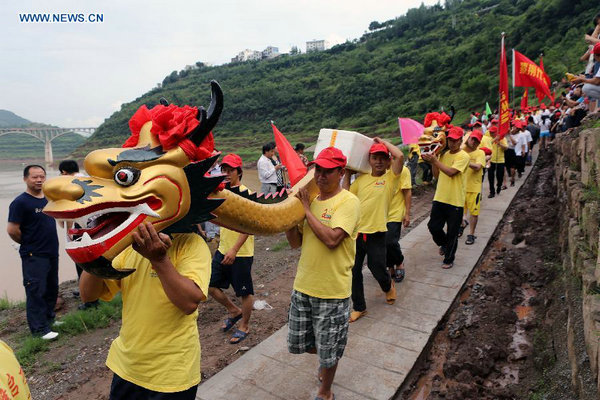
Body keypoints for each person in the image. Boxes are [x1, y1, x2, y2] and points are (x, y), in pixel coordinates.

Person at [79, 223, 211, 399]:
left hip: (172, 374)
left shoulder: (191, 243)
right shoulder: (129, 247)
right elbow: (88, 295)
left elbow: (188, 303)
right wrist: (97, 253)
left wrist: (159, 260)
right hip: (127, 367)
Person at [285, 147, 360, 400]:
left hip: (332, 291)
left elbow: (331, 239)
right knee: (306, 344)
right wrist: (289, 218)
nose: (320, 176)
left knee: (329, 350)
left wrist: (305, 210)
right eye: (318, 169)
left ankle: (325, 391)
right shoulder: (312, 201)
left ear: (341, 172)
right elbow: (296, 243)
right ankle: (325, 364)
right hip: (304, 285)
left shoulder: (348, 202)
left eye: (328, 171)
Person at [343, 138, 404, 322]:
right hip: (357, 233)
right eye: (374, 157)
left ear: (387, 162)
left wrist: (383, 141)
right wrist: (347, 173)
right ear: (369, 160)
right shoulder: (361, 180)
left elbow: (400, 155)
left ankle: (388, 286)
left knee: (376, 266)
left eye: (382, 158)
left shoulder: (390, 178)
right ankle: (359, 307)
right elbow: (346, 196)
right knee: (353, 271)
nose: (378, 161)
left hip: (377, 232)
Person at [7, 165, 60, 340]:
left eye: (42, 177)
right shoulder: (20, 202)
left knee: (51, 288)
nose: (39, 180)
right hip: (34, 254)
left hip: (52, 251)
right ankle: (39, 330)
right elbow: (12, 230)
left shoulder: (48, 199)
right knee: (36, 290)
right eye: (34, 177)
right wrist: (29, 242)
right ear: (25, 179)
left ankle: (49, 319)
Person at [208, 154, 255, 344]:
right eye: (224, 170)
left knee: (244, 291)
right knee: (210, 285)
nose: (226, 174)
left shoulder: (246, 194)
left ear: (239, 172)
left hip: (241, 252)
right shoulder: (222, 192)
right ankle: (233, 311)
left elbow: (249, 226)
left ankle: (245, 325)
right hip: (223, 247)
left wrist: (234, 250)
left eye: (231, 170)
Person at [422, 127, 470, 269]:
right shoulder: (443, 155)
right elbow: (437, 174)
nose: (452, 143)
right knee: (433, 226)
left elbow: (451, 172)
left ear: (461, 140)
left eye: (455, 140)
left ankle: (449, 259)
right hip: (440, 197)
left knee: (452, 232)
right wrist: (433, 160)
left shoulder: (463, 156)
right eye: (450, 140)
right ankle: (444, 244)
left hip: (455, 200)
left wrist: (435, 161)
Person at [386, 161, 412, 282]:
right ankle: (390, 265)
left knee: (391, 241)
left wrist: (407, 213)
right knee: (382, 244)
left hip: (395, 213)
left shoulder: (403, 170)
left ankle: (399, 261)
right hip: (377, 214)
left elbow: (407, 192)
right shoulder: (373, 171)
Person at [460, 130, 486, 245]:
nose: (474, 142)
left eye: (476, 141)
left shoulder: (480, 153)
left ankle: (471, 234)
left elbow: (477, 166)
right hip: (461, 187)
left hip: (474, 188)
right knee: (460, 211)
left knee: (474, 213)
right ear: (468, 138)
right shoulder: (462, 151)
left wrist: (466, 162)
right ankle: (462, 225)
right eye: (472, 139)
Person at [487, 126, 508, 198]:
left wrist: (500, 144)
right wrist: (495, 139)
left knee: (499, 177)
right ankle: (492, 192)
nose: (490, 133)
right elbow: (487, 144)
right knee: (490, 177)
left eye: (492, 132)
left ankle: (499, 186)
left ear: (496, 132)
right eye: (490, 132)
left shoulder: (503, 139)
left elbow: (506, 148)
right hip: (491, 160)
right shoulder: (489, 139)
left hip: (500, 161)